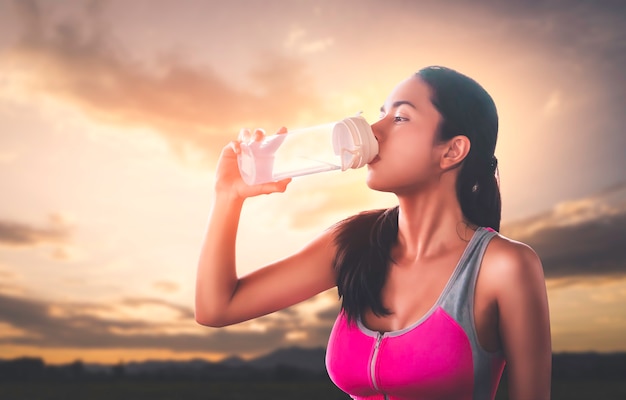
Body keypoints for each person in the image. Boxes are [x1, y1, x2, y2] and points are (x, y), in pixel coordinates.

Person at [195, 65, 552, 400]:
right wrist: (228, 196)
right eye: (380, 115)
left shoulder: (505, 267)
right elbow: (216, 308)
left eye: (400, 117)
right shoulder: (352, 245)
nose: (374, 132)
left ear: (452, 150)